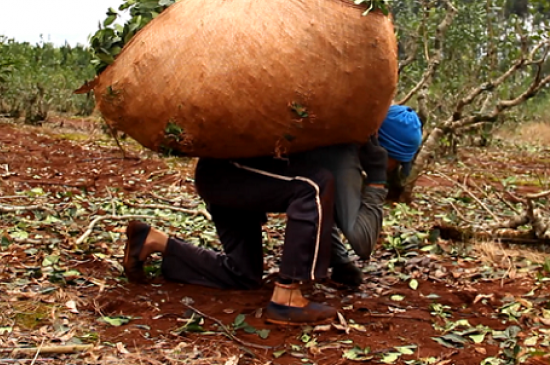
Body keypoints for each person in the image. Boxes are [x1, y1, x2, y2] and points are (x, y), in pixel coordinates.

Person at [123, 155, 339, 326]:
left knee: (244, 274)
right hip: (228, 173)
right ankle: (287, 297)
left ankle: (155, 241)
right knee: (313, 184)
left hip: (224, 174)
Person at [295, 104, 422, 287]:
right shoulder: (345, 161)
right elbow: (363, 245)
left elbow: (325, 206)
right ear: (382, 152)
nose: (394, 168)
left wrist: (341, 262)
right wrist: (377, 180)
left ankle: (337, 259)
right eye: (396, 162)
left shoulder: (347, 151)